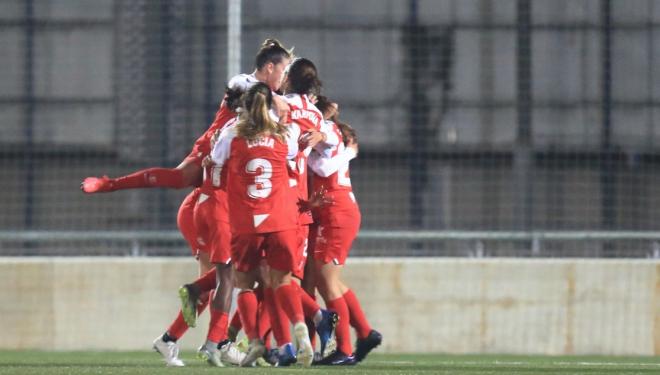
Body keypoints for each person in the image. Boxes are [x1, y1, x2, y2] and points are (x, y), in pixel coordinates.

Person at [210, 82, 314, 367]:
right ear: (271, 104)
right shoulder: (285, 132)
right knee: (282, 281)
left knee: (244, 284)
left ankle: (255, 341)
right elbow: (293, 156)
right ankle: (300, 330)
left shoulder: (232, 133)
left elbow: (216, 161)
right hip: (280, 219)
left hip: (246, 223)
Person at [307, 99, 382, 365]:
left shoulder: (327, 131)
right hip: (335, 212)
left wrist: (306, 149)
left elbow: (325, 167)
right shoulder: (332, 134)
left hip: (336, 213)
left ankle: (344, 349)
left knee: (326, 282)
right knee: (329, 280)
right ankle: (364, 332)